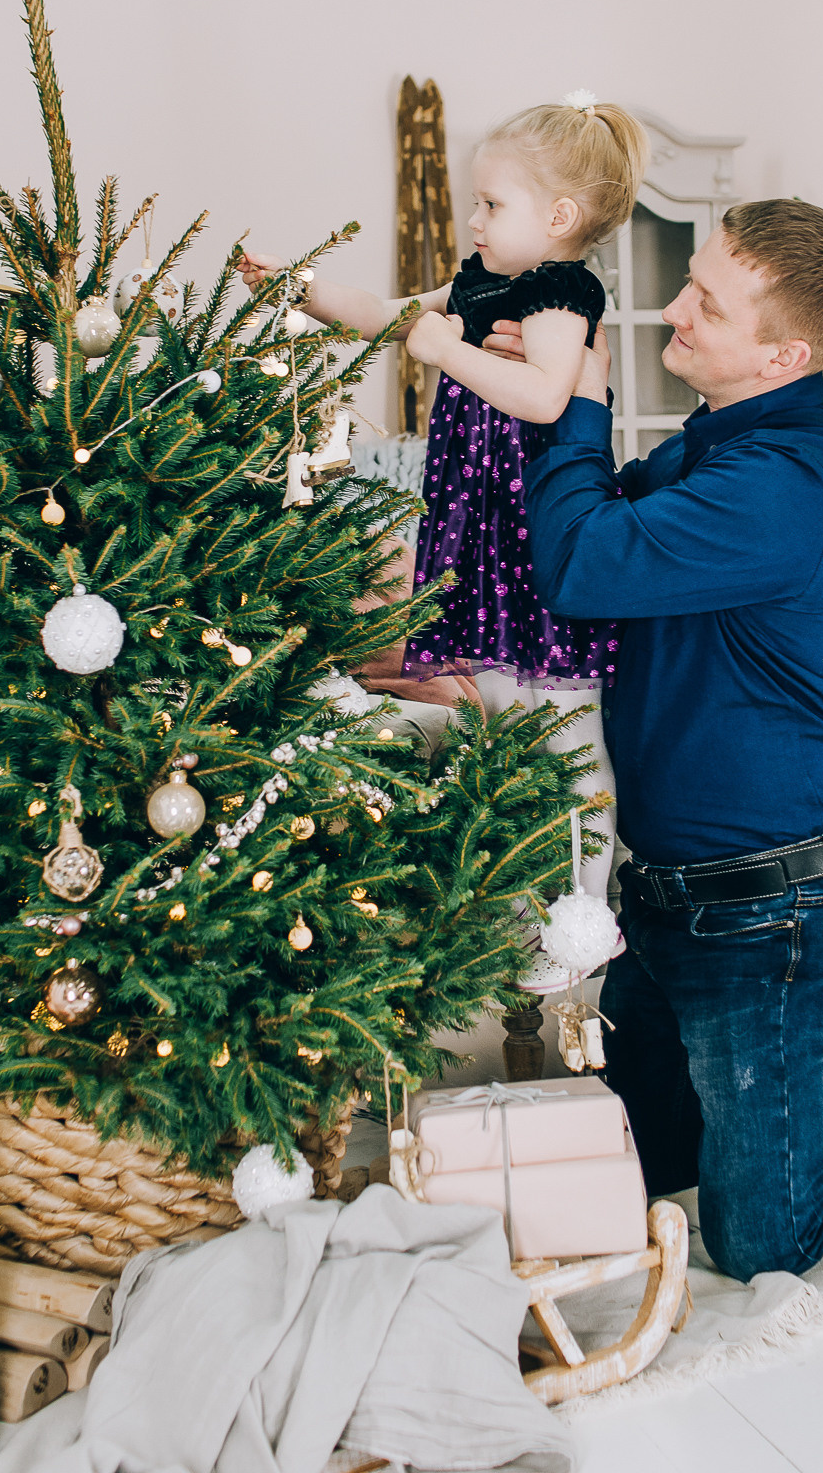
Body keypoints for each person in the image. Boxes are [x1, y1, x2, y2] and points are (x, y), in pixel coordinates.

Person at [496, 197, 823, 1281]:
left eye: (705, 300)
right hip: (668, 899)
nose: (673, 306)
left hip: (773, 913)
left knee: (760, 1241)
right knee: (630, 1175)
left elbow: (581, 562)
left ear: (782, 351)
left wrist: (581, 398)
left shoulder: (785, 483)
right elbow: (586, 537)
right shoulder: (712, 451)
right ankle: (815, 1083)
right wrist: (539, 399)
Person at [242, 92, 649, 988]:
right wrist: (301, 291)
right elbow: (392, 313)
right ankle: (517, 906)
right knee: (501, 725)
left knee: (568, 738)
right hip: (482, 541)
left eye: (492, 205)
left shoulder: (559, 292)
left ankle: (584, 920)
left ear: (559, 218)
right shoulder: (478, 283)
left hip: (536, 538)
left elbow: (545, 396)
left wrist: (440, 346)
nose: (473, 218)